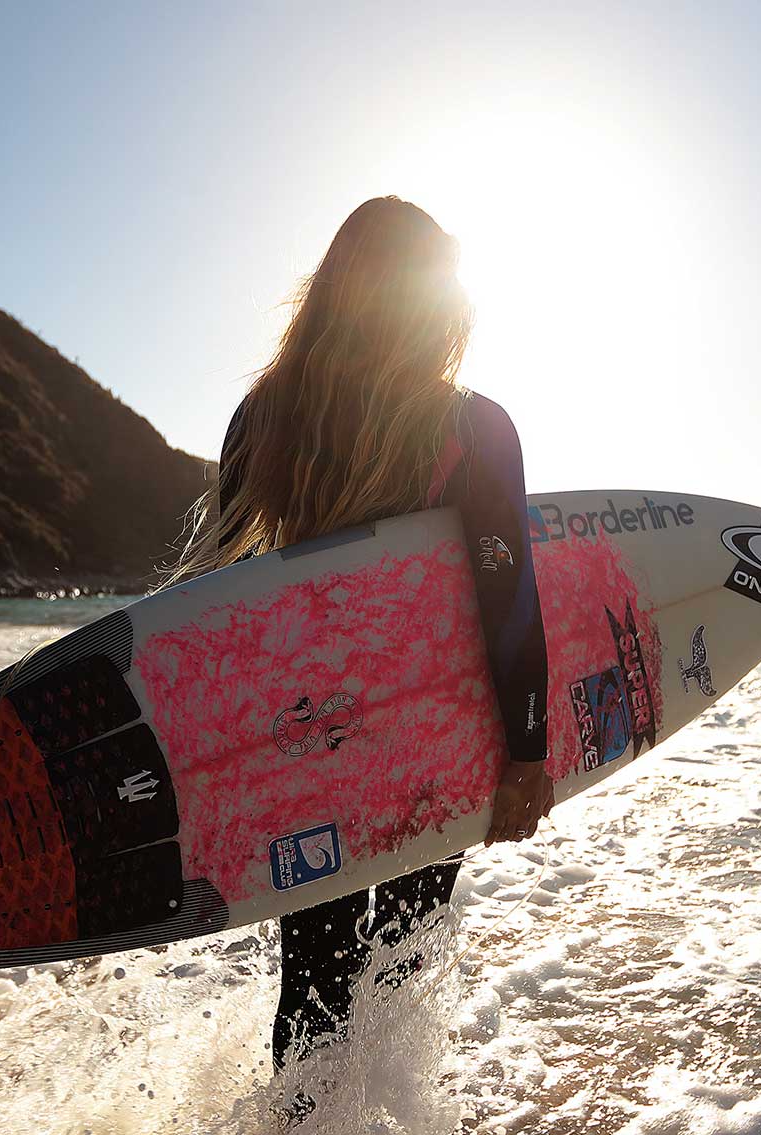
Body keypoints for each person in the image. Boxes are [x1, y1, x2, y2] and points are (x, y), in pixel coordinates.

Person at [175, 197, 555, 1075]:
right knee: (408, 948)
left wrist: (220, 762)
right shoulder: (473, 427)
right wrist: (527, 753)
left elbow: (215, 605)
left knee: (315, 970)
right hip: (439, 722)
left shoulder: (262, 416)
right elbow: (509, 599)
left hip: (308, 734)